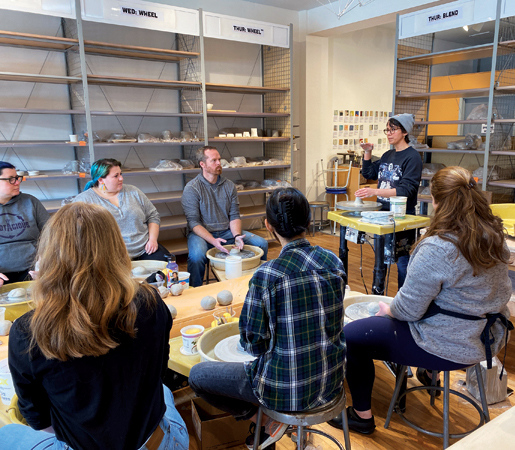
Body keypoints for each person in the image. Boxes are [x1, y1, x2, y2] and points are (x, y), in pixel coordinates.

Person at [329, 166, 512, 435]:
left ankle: (361, 415)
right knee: (445, 306)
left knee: (353, 335)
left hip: (451, 344)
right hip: (488, 338)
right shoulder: (494, 236)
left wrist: (387, 309)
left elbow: (408, 310)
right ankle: (429, 374)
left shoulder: (439, 246)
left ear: (436, 202)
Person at [0, 203, 188, 450]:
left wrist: (50, 291)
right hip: (157, 442)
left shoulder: (28, 330)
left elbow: (38, 419)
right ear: (117, 249)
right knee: (163, 391)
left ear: (48, 257)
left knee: (8, 433)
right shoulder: (151, 301)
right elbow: (158, 372)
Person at [188, 187, 347, 449]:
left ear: (268, 226)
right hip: (331, 381)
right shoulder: (333, 262)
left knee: (198, 376)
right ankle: (267, 423)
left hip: (284, 392)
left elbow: (252, 345)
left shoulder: (267, 275)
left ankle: (262, 421)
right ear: (308, 221)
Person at [181, 146, 268, 287]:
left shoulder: (229, 186)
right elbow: (194, 223)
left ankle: (256, 286)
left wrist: (236, 236)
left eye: (219, 160)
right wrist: (213, 241)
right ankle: (195, 291)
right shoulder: (192, 188)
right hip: (202, 234)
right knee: (196, 257)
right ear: (202, 164)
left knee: (261, 244)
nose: (219, 163)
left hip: (227, 232)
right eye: (214, 160)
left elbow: (234, 215)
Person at [356, 113, 423, 289]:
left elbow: (406, 190)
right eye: (387, 129)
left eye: (393, 129)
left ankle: (404, 300)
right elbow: (369, 173)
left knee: (402, 260)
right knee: (381, 259)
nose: (389, 133)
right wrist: (368, 152)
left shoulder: (413, 157)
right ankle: (378, 292)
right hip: (383, 214)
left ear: (405, 131)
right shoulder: (387, 155)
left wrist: (374, 191)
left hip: (403, 216)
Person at [72, 158, 167, 261]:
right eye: (116, 176)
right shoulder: (84, 200)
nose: (121, 178)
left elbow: (153, 216)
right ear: (100, 180)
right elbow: (76, 232)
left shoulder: (133, 191)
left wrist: (152, 240)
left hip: (145, 250)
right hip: (110, 257)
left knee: (167, 270)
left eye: (121, 174)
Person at [0, 161, 49, 287]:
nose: (17, 183)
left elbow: (51, 235)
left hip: (34, 271)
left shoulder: (30, 202)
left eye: (17, 178)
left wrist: (44, 260)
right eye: (10, 179)